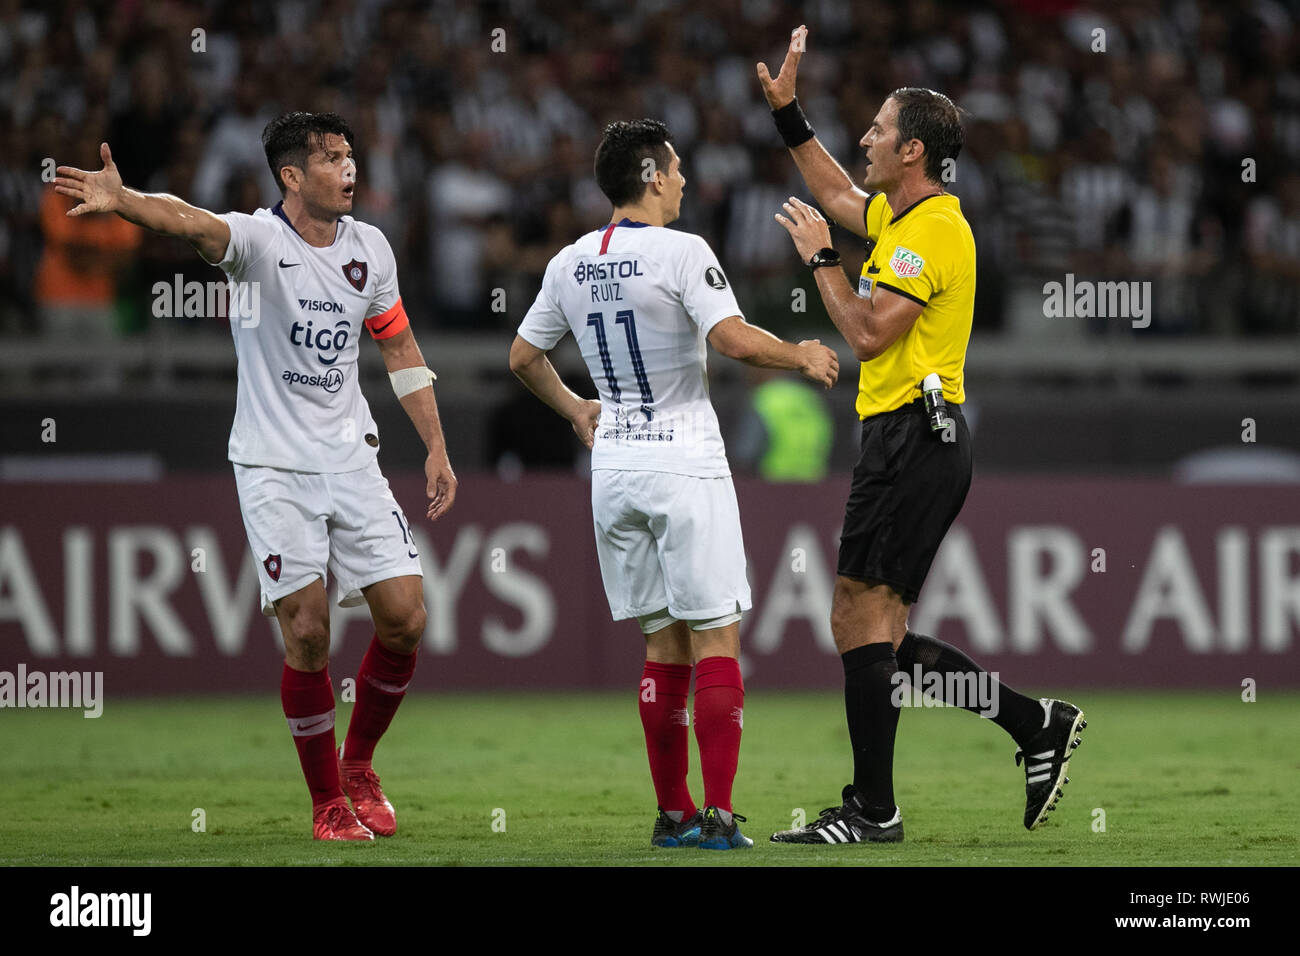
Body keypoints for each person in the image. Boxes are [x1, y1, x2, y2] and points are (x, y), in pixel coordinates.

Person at [53, 112, 457, 841]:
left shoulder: (371, 248)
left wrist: (435, 443)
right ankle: (328, 803)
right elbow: (191, 223)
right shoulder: (259, 241)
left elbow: (399, 348)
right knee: (307, 631)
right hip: (274, 465)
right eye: (333, 158)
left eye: (351, 155)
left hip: (350, 457)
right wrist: (128, 201)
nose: (351, 168)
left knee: (406, 617)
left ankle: (359, 765)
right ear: (293, 176)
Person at [757, 26, 1086, 844]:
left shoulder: (934, 231)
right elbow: (836, 191)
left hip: (916, 434)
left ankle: (875, 810)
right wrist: (789, 114)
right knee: (883, 638)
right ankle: (1031, 724)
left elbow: (868, 335)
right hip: (912, 438)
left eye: (875, 129)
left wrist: (821, 260)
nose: (862, 138)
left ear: (911, 151)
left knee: (856, 621)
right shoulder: (904, 222)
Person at [509, 119, 839, 850]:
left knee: (663, 647)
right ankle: (719, 818)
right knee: (718, 637)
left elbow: (524, 356)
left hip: (615, 466)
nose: (687, 180)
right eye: (679, 169)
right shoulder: (684, 252)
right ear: (653, 175)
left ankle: (673, 815)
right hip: (684, 460)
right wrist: (802, 353)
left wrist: (576, 410)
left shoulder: (570, 262)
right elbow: (730, 338)